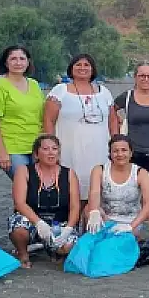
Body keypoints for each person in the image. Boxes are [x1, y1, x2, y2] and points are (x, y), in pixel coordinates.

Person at [43, 53, 115, 203]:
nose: (82, 68)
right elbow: (49, 120)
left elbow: (112, 120)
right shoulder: (60, 91)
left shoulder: (104, 92)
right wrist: (51, 148)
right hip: (70, 150)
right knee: (71, 193)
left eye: (86, 65)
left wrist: (115, 144)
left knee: (98, 191)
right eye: (78, 65)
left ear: (93, 69)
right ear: (71, 68)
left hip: (99, 150)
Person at [112, 62, 149, 238]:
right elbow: (111, 112)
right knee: (130, 196)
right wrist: (116, 137)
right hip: (132, 155)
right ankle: (132, 232)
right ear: (135, 77)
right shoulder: (127, 96)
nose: (146, 79)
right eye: (142, 76)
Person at [8, 134, 81, 267]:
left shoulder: (69, 173)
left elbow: (75, 206)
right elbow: (19, 203)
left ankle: (52, 249)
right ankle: (23, 253)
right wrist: (39, 223)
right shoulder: (24, 171)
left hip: (59, 222)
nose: (51, 152)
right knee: (19, 228)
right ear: (36, 154)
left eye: (54, 148)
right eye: (46, 149)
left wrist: (69, 228)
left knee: (67, 246)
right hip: (32, 220)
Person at [0, 45, 45, 178]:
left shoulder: (34, 85)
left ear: (28, 62)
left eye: (22, 59)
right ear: (6, 62)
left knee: (38, 188)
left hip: (36, 146)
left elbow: (41, 116)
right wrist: (1, 152)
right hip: (12, 148)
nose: (18, 63)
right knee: (25, 185)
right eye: (13, 59)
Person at [83, 134, 149, 237]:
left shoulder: (141, 173)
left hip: (130, 221)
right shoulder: (99, 170)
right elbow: (94, 193)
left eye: (124, 150)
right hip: (106, 218)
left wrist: (131, 226)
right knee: (88, 209)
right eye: (115, 151)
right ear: (110, 154)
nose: (120, 154)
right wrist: (94, 211)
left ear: (131, 153)